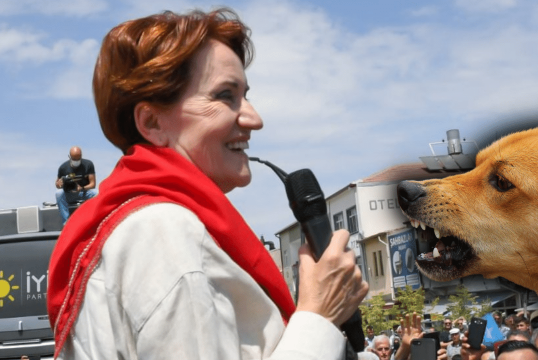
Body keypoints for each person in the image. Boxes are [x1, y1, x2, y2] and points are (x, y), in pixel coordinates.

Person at [46, 9, 368, 360]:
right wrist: (319, 315)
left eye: (245, 95)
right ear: (152, 121)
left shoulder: (129, 225)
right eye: (224, 96)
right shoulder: (164, 232)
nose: (253, 118)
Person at [54, 146, 97, 225]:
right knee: (58, 193)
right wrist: (58, 184)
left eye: (78, 158)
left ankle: (94, 220)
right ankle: (66, 223)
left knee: (97, 194)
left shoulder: (88, 164)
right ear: (69, 157)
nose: (77, 161)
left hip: (83, 192)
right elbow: (57, 184)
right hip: (69, 193)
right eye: (74, 159)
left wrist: (82, 188)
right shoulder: (63, 167)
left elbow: (93, 184)